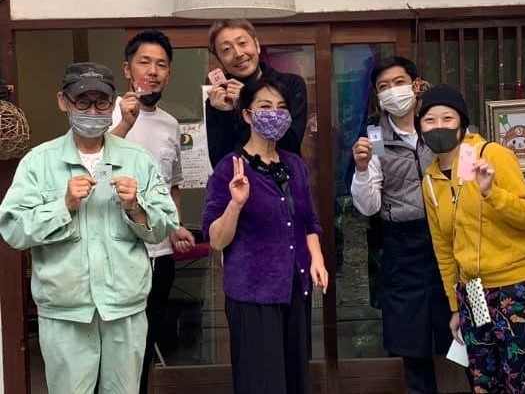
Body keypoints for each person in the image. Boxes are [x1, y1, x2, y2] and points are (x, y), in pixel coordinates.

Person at [0, 62, 179, 393]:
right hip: (65, 312)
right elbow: (13, 229)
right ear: (63, 101)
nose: (93, 111)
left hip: (124, 309)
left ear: (113, 104)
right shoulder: (39, 162)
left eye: (101, 102)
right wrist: (63, 205)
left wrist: (136, 207)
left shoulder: (138, 159)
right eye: (83, 102)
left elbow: (166, 224)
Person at [417, 84, 525, 393]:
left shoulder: (491, 155)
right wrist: (455, 305)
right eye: (429, 120)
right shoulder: (430, 180)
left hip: (517, 285)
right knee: (485, 380)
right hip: (473, 292)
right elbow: (443, 247)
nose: (438, 126)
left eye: (447, 118)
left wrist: (491, 193)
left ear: (462, 122)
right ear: (420, 129)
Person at [202, 77, 328, 394]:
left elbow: (308, 221)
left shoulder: (294, 164)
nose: (275, 114)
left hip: (294, 288)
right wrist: (235, 204)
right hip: (253, 294)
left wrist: (317, 259)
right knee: (261, 383)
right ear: (247, 115)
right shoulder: (229, 168)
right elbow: (216, 239)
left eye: (282, 108)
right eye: (265, 106)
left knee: (296, 379)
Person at [350, 56, 452, 393]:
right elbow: (368, 205)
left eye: (398, 83)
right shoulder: (375, 138)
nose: (392, 91)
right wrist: (362, 168)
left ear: (415, 84)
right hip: (403, 246)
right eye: (383, 87)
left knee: (466, 335)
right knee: (413, 342)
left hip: (451, 240)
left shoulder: (439, 124)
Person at [109, 29, 196, 393]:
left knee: (144, 346)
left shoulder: (170, 124)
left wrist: (175, 227)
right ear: (127, 69)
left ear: (169, 73)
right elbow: (91, 165)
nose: (153, 71)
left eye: (161, 64)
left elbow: (171, 185)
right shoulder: (105, 112)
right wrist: (124, 124)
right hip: (115, 252)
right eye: (144, 62)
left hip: (158, 255)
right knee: (113, 349)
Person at [205, 19, 308, 167]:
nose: (238, 53)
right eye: (226, 49)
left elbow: (290, 145)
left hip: (284, 176)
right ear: (219, 60)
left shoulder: (290, 85)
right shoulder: (219, 100)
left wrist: (245, 102)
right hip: (239, 178)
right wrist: (226, 113)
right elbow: (220, 162)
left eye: (242, 43)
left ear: (257, 45)